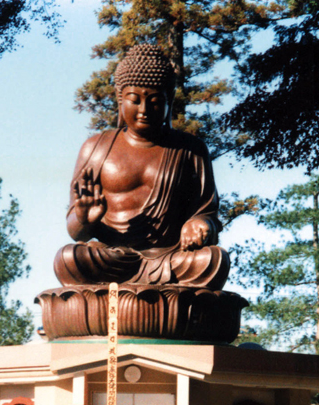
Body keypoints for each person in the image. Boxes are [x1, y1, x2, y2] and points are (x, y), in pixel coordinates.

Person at [54, 44, 230, 290]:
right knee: (69, 258)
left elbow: (206, 211)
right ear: (120, 99)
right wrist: (84, 218)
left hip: (171, 259)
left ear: (169, 101)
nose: (144, 110)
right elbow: (76, 233)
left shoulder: (190, 149)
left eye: (155, 101)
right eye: (134, 100)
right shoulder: (96, 148)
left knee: (213, 260)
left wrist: (200, 224)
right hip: (112, 257)